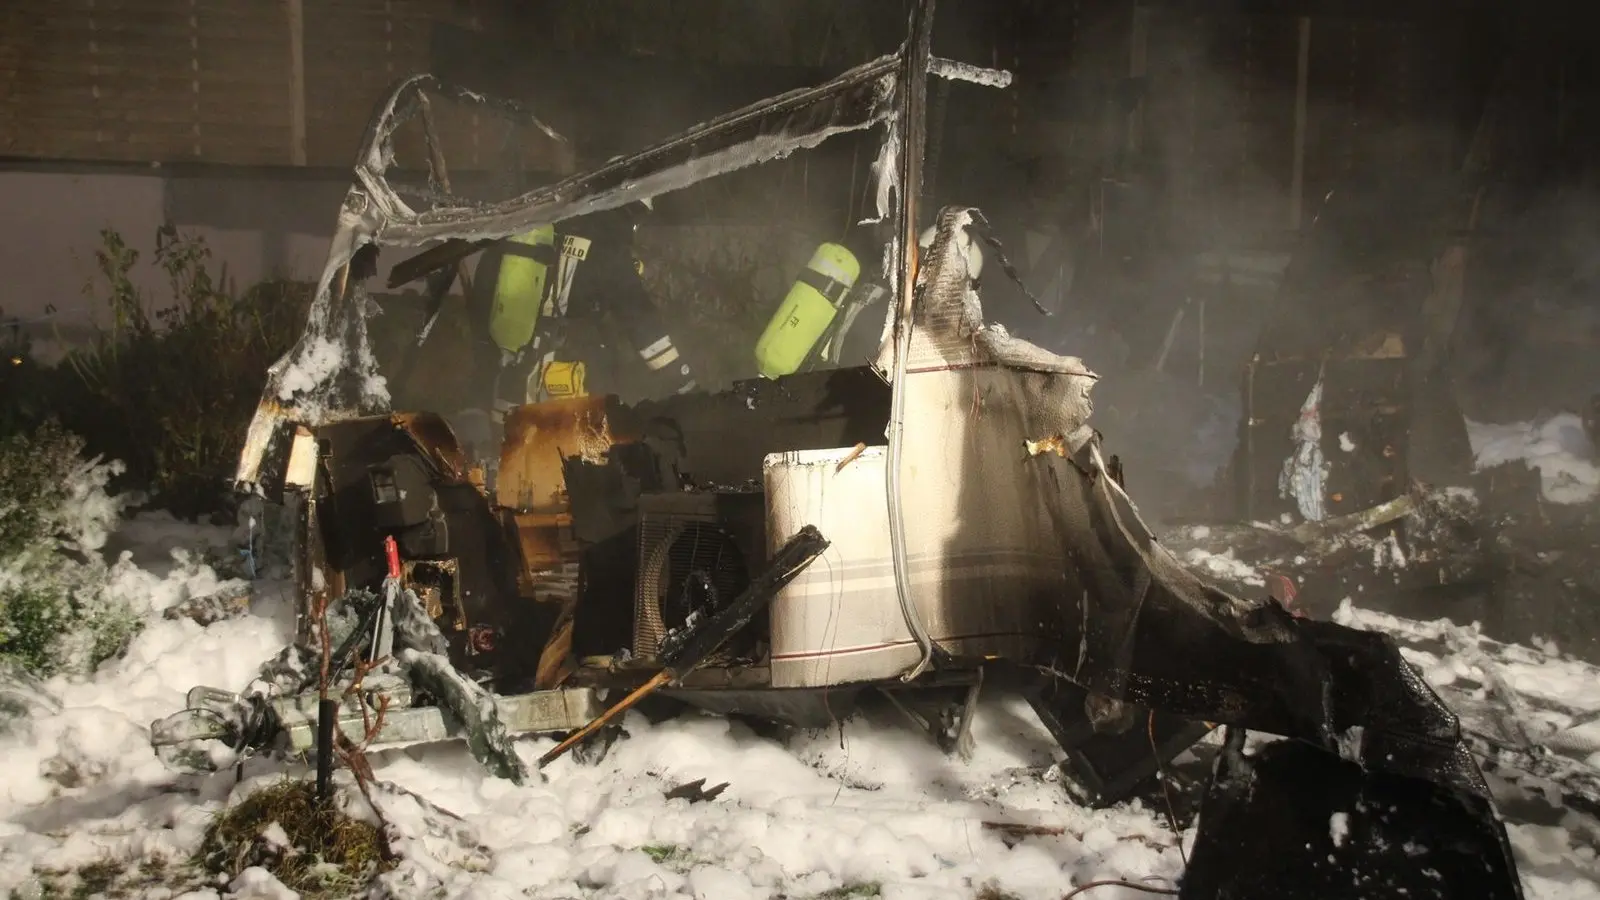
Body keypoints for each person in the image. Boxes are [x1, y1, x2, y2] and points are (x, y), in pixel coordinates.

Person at [464, 198, 698, 429]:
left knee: (509, 449)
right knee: (580, 449)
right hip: (569, 390)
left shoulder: (539, 229)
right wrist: (681, 379)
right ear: (630, 211)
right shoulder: (607, 246)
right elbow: (640, 320)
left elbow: (484, 295)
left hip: (511, 385)